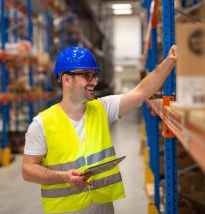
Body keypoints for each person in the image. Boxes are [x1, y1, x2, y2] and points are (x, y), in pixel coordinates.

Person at [22, 45, 178, 214]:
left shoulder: (102, 109)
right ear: (66, 79)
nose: (94, 81)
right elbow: (28, 170)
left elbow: (141, 92)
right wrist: (63, 177)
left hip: (102, 209)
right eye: (87, 75)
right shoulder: (42, 123)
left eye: (94, 76)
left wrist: (170, 61)